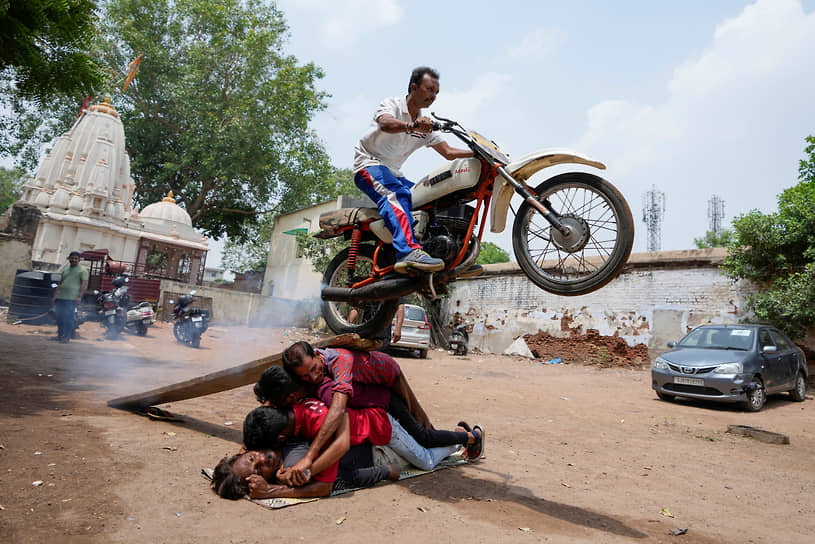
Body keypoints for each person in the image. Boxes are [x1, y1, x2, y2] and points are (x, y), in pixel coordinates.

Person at [253, 365, 480, 478]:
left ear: (289, 396)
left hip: (384, 415)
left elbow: (340, 442)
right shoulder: (300, 395)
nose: (275, 406)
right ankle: (460, 436)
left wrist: (307, 467)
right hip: (375, 419)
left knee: (425, 445)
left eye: (276, 402)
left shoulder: (325, 393)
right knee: (422, 439)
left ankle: (466, 438)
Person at [354, 66, 472, 273]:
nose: (433, 96)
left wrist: (477, 153)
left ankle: (440, 253)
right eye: (429, 90)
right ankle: (407, 251)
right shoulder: (392, 105)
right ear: (414, 87)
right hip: (369, 164)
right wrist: (412, 126)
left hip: (394, 173)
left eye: (436, 92)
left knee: (433, 196)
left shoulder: (426, 125)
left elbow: (448, 152)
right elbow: (385, 124)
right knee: (396, 194)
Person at [51, 251, 88, 343]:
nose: (74, 260)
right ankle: (60, 335)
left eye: (76, 258)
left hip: (72, 298)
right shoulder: (65, 270)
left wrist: (79, 296)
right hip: (61, 297)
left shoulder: (83, 270)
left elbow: (84, 284)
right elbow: (60, 283)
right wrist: (55, 296)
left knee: (69, 318)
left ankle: (67, 337)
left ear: (79, 260)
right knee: (59, 317)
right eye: (72, 258)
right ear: (69, 259)